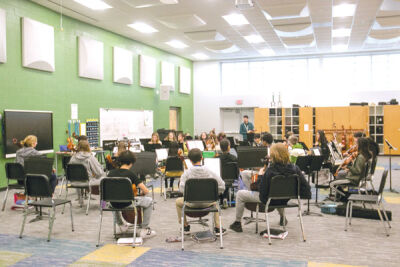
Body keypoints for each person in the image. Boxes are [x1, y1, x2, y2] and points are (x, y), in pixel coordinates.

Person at [230, 143, 311, 232]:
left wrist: (261, 175)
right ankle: (283, 217)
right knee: (278, 192)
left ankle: (237, 223)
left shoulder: (270, 171)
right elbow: (306, 187)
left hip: (269, 200)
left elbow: (262, 190)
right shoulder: (296, 169)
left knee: (240, 194)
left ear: (273, 155)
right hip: (285, 199)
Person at [176, 148, 226, 235]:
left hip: (191, 203)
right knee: (216, 202)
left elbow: (181, 189)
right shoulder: (210, 172)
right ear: (202, 157)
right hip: (208, 203)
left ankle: (185, 227)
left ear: (190, 161)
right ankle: (218, 228)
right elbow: (222, 186)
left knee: (177, 202)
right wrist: (215, 193)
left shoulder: (186, 174)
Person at [107, 151, 156, 238]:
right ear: (131, 163)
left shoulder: (110, 173)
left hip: (112, 203)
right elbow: (146, 191)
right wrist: (142, 193)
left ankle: (121, 224)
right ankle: (144, 229)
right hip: (128, 203)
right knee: (149, 201)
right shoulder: (131, 174)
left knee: (113, 199)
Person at [219, 139, 238, 207]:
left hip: (220, 179)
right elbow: (237, 171)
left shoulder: (218, 158)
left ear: (220, 148)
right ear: (229, 147)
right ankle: (225, 198)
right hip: (231, 179)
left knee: (222, 180)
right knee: (226, 181)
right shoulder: (234, 158)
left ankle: (222, 198)